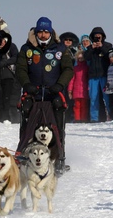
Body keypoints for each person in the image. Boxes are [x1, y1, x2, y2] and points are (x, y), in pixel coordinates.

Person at [15, 17, 74, 172]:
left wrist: (60, 85)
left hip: (53, 93)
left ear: (50, 33)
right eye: (40, 31)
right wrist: (27, 84)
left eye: (45, 32)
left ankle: (60, 158)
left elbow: (68, 69)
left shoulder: (61, 49)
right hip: (32, 92)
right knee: (26, 117)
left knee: (58, 121)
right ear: (36, 32)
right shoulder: (26, 48)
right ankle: (23, 154)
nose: (42, 35)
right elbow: (20, 69)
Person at [84, 27, 112, 122]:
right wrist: (92, 48)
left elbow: (110, 57)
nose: (97, 39)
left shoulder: (108, 46)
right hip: (93, 77)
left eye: (99, 37)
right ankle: (94, 119)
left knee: (107, 98)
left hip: (104, 76)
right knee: (93, 98)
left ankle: (110, 117)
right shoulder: (90, 48)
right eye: (95, 37)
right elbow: (86, 57)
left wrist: (102, 47)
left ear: (102, 37)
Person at [0, 29, 21, 123]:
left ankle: (7, 118)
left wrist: (4, 63)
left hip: (9, 76)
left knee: (8, 98)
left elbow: (15, 57)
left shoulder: (12, 46)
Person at [59, 32, 79, 123]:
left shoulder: (75, 53)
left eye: (70, 40)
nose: (67, 41)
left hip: (72, 77)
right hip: (61, 76)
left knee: (70, 98)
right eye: (66, 40)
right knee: (61, 96)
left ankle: (70, 115)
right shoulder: (59, 51)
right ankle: (61, 115)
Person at [68, 51, 89, 123]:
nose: (80, 59)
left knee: (84, 105)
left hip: (84, 89)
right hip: (76, 89)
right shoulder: (75, 68)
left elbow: (88, 78)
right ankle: (77, 118)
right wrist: (70, 90)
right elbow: (72, 80)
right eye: (79, 58)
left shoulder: (87, 68)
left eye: (82, 58)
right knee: (76, 106)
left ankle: (83, 118)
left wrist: (89, 88)